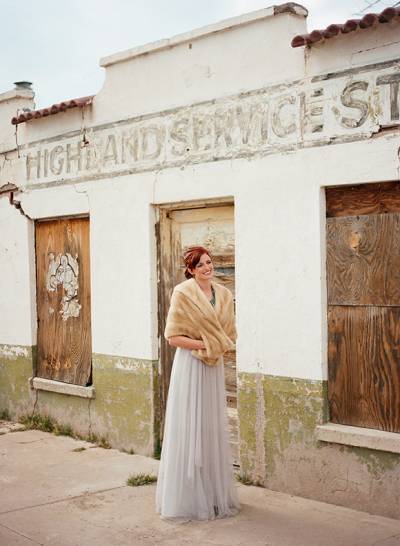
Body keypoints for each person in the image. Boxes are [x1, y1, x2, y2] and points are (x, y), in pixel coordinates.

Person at [155, 246, 240, 521]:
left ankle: (212, 495)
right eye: (200, 264)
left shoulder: (225, 295)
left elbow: (229, 334)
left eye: (209, 262)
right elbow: (172, 337)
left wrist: (216, 345)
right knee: (189, 427)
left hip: (213, 367)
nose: (207, 267)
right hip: (191, 364)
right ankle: (188, 498)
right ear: (190, 270)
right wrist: (205, 344)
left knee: (210, 428)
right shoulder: (183, 293)